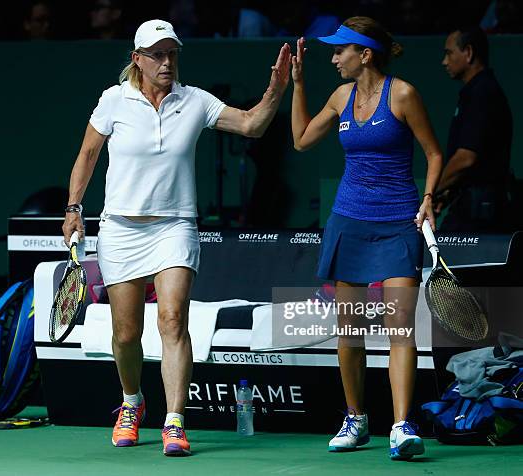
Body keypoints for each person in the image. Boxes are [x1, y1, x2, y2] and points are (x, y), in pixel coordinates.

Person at [62, 19, 291, 456]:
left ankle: (174, 420)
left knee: (172, 320)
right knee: (126, 333)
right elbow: (88, 154)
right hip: (122, 229)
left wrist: (276, 88)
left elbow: (251, 126)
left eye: (172, 53)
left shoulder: (196, 101)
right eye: (158, 54)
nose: (167, 62)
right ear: (138, 60)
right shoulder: (114, 100)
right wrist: (74, 206)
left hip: (175, 226)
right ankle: (132, 402)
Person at [290, 17, 442, 460]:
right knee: (349, 329)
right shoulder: (340, 96)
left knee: (400, 327)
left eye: (341, 51)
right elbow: (301, 140)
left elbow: (434, 152)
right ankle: (355, 419)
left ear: (366, 54)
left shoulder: (404, 94)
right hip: (349, 223)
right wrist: (298, 84)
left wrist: (429, 197)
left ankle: (400, 425)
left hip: (398, 223)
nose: (334, 59)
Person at [435, 26, 513, 232]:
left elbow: (466, 158)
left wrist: (430, 193)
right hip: (471, 205)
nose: (444, 61)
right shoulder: (475, 92)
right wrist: (448, 192)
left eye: (449, 53)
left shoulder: (483, 93)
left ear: (468, 52)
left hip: (481, 212)